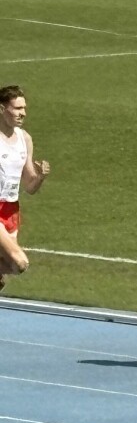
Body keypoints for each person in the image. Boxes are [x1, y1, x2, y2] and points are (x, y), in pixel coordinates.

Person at [0, 85, 50, 292]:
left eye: (24, 108)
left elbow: (29, 186)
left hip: (11, 211)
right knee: (20, 261)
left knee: (8, 270)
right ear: (2, 109)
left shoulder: (24, 139)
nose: (23, 113)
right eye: (17, 108)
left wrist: (40, 177)